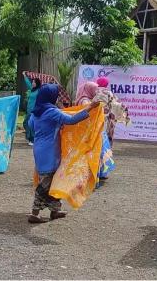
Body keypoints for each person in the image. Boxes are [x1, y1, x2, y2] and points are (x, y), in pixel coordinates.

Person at [28, 84, 99, 223]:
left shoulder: (35, 112)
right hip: (50, 151)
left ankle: (55, 210)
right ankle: (34, 213)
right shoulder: (50, 111)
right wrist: (90, 108)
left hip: (40, 149)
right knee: (46, 183)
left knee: (54, 179)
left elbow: (31, 126)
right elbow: (71, 120)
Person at [22, 72, 41, 146]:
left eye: (34, 82)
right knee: (25, 123)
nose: (32, 83)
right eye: (32, 82)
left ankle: (32, 139)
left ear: (37, 83)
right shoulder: (32, 89)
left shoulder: (39, 90)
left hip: (34, 111)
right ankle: (29, 137)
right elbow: (27, 83)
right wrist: (24, 76)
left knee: (30, 124)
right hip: (29, 111)